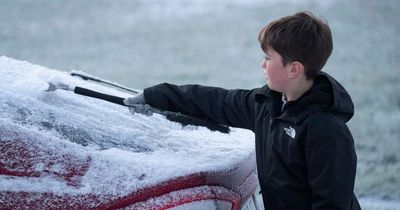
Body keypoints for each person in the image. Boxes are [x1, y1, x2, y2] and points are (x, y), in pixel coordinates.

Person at [124, 11, 361, 209]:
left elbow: (332, 205)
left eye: (268, 58)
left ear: (293, 70)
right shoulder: (266, 105)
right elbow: (215, 101)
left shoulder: (327, 130)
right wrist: (155, 96)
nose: (263, 64)